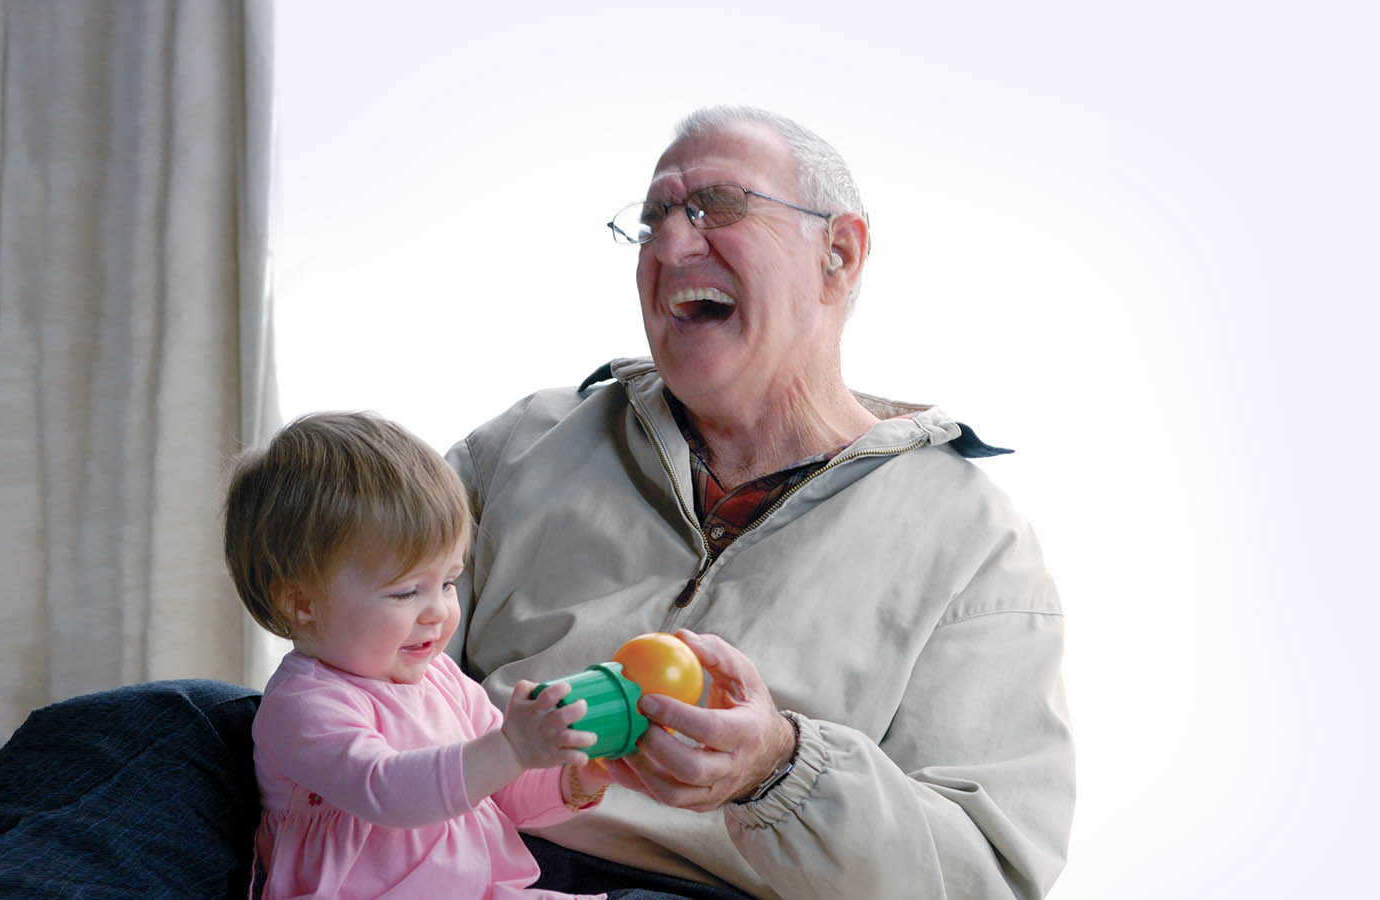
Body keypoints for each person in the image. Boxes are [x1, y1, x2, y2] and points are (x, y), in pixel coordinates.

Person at [444, 106, 1075, 899]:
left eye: (718, 207)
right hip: (451, 844)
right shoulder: (525, 442)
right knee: (236, 729)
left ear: (838, 256)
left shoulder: (975, 543)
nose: (672, 245)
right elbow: (361, 647)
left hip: (692, 891)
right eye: (653, 221)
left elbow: (982, 877)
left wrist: (779, 769)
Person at [223, 411, 614, 899]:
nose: (438, 612)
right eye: (407, 591)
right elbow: (386, 790)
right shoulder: (304, 704)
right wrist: (510, 747)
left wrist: (576, 773)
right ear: (302, 603)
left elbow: (508, 790)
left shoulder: (443, 679)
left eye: (448, 583)